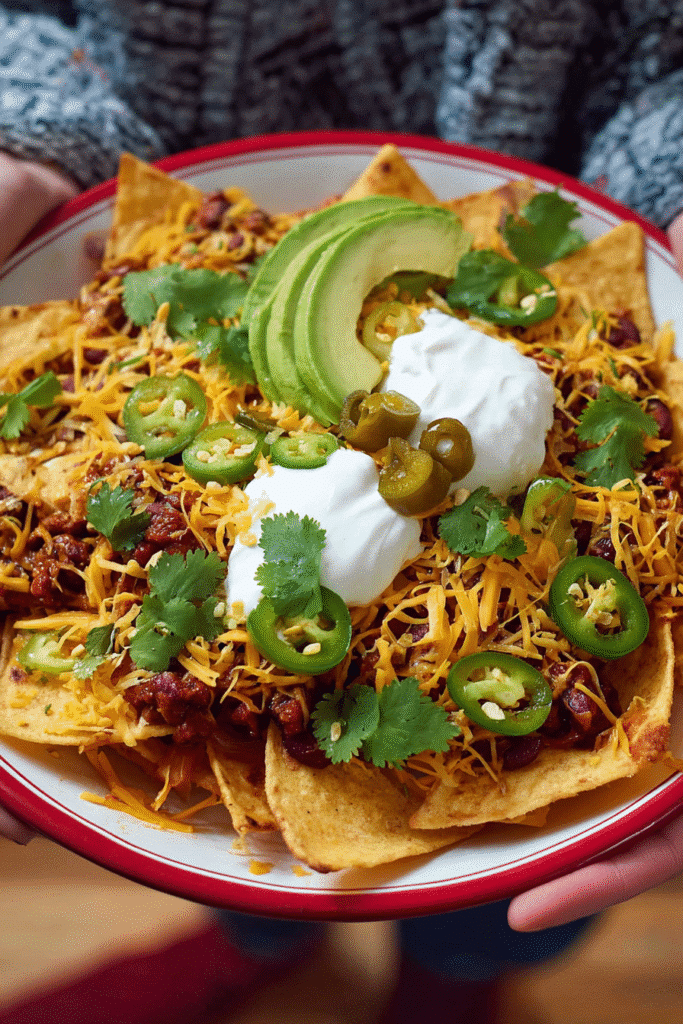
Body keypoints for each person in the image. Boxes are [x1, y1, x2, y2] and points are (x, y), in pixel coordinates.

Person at [1, 3, 683, 1022]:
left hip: (524, 292)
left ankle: (450, 990)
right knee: (259, 896)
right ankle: (263, 943)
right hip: (183, 257)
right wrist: (26, 125)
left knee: (495, 924)